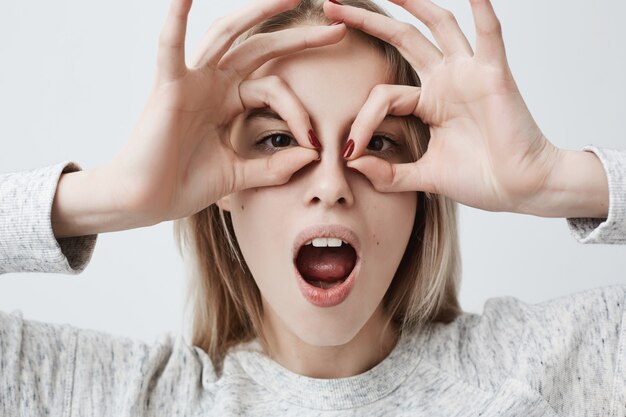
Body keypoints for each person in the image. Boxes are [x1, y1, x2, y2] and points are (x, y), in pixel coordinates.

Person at [1, 0, 624, 415]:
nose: (331, 183)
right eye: (278, 140)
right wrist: (104, 197)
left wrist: (554, 180)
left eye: (376, 141)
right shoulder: (139, 399)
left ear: (425, 185)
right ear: (221, 192)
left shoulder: (534, 373)